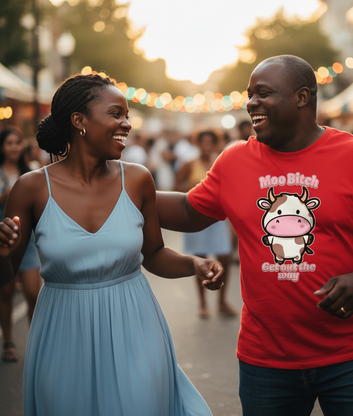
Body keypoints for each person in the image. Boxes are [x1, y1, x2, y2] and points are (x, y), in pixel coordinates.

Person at [156, 55, 353, 416]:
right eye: (250, 95)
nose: (251, 103)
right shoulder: (234, 161)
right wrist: (124, 188)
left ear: (302, 97)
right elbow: (189, 211)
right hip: (266, 359)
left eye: (263, 93)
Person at [0, 74, 224, 416]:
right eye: (116, 114)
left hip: (136, 327)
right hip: (62, 335)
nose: (127, 124)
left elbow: (154, 255)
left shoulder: (136, 180)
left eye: (127, 115)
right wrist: (2, 254)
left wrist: (193, 264)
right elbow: (6, 276)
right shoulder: (31, 188)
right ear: (80, 122)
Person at [175, 130, 236, 318]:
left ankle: (222, 301)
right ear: (198, 143)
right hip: (196, 218)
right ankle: (203, 304)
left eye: (211, 142)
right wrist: (197, 188)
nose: (207, 146)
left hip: (218, 220)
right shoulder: (189, 164)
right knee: (200, 261)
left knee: (224, 258)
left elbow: (231, 188)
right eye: (204, 142)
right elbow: (176, 188)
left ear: (216, 143)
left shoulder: (220, 162)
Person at [0, 126, 42, 363]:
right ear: (2, 147)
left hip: (28, 243)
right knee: (5, 293)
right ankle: (8, 340)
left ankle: (36, 343)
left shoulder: (32, 172)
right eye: (9, 143)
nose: (14, 147)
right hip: (3, 243)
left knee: (33, 293)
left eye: (17, 143)